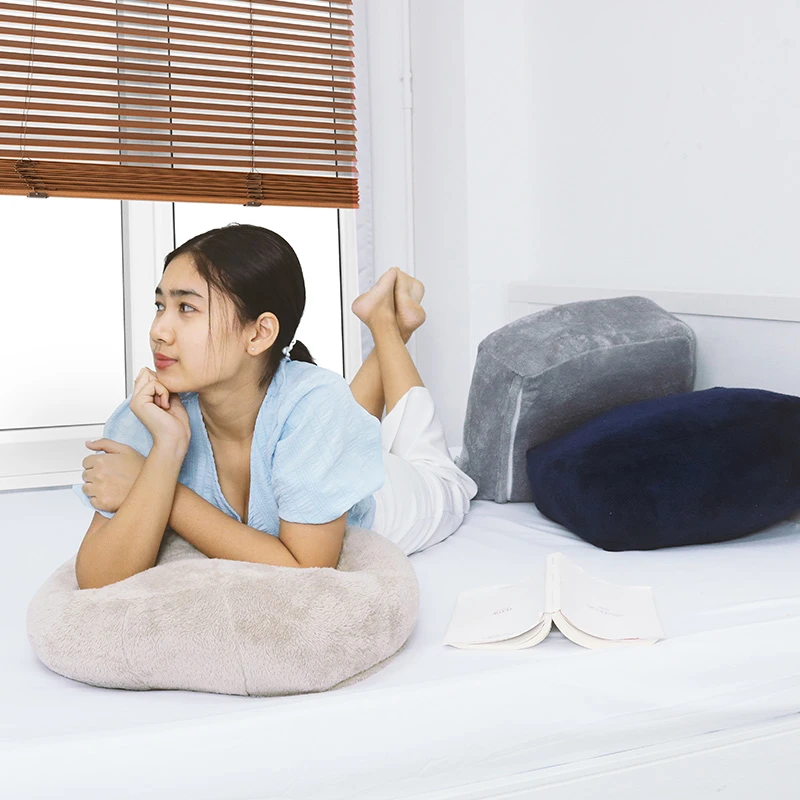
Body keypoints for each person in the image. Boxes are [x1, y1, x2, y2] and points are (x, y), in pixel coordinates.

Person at [73, 224, 477, 590]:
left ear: (259, 333)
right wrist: (167, 449)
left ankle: (389, 325)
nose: (158, 331)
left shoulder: (315, 404)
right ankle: (388, 322)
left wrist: (156, 486)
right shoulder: (149, 414)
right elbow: (97, 578)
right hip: (320, 452)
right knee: (327, 413)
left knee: (433, 465)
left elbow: (305, 570)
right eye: (160, 305)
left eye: (187, 308)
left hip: (395, 493)